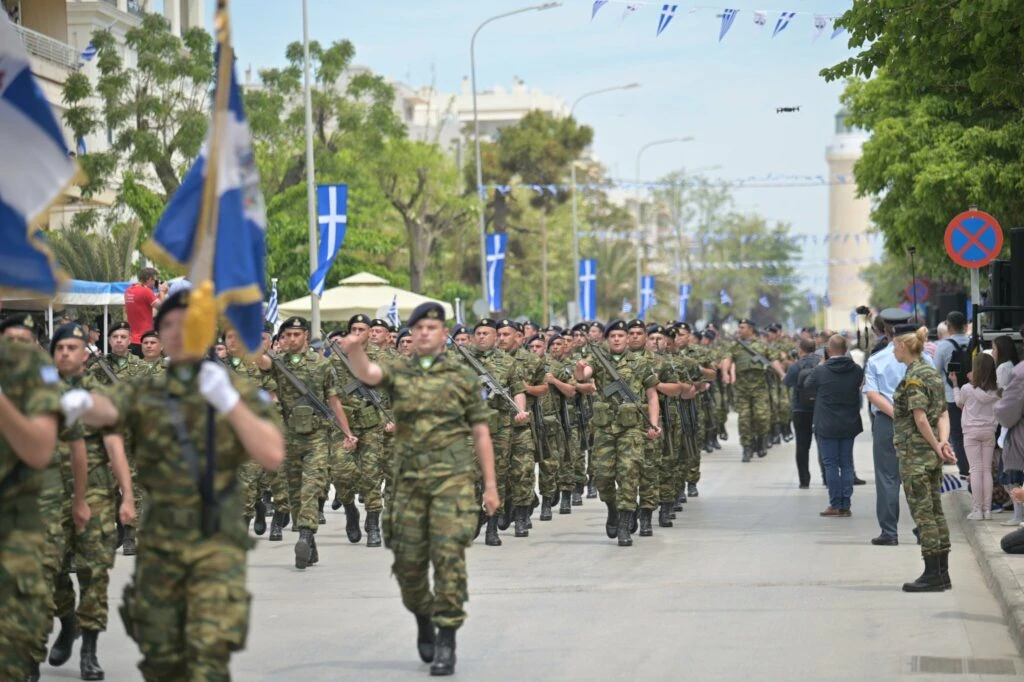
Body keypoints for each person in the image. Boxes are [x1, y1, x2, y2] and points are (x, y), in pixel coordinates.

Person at [60, 288, 285, 679]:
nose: (178, 334)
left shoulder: (231, 385)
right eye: (168, 327)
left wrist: (227, 400)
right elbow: (108, 410)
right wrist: (74, 401)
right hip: (161, 536)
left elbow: (271, 454)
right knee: (160, 652)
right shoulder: (146, 389)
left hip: (214, 536)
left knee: (207, 649)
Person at [338, 302, 499, 676]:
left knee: (448, 561)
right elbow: (368, 373)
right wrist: (356, 348)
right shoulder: (399, 372)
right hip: (408, 484)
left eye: (433, 327)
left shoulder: (462, 377)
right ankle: (423, 616)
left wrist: (490, 486)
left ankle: (446, 638)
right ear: (410, 334)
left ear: (444, 334)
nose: (425, 332)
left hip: (452, 484)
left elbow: (480, 431)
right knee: (408, 567)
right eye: (419, 327)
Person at [573, 320, 661, 547]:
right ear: (607, 338)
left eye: (621, 336)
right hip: (604, 429)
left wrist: (652, 424)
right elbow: (583, 376)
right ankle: (612, 507)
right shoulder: (598, 360)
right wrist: (580, 368)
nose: (617, 339)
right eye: (613, 336)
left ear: (627, 339)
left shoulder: (640, 363)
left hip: (631, 430)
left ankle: (624, 525)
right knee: (602, 476)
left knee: (629, 474)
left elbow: (652, 396)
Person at [891, 325, 956, 592]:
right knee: (936, 512)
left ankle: (932, 575)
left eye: (895, 346)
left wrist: (935, 444)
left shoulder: (914, 378)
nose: (893, 350)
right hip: (931, 455)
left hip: (915, 456)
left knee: (924, 515)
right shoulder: (932, 374)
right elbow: (942, 414)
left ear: (904, 347)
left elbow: (919, 417)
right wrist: (942, 443)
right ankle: (943, 573)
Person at [863, 308, 917, 546]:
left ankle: (889, 532)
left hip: (888, 422)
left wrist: (896, 414)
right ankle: (923, 529)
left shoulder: (876, 359)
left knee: (887, 477)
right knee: (918, 476)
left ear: (883, 330)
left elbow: (872, 394)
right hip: (918, 420)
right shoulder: (923, 358)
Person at [805, 335, 864, 517]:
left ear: (828, 350)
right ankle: (845, 504)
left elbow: (807, 385)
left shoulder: (821, 371)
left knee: (830, 464)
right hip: (849, 422)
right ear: (845, 349)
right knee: (846, 463)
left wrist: (821, 365)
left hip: (826, 423)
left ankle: (834, 503)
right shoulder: (856, 370)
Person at [953, 353, 1000, 520]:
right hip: (989, 431)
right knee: (987, 470)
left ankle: (977, 509)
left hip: (971, 432)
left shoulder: (967, 388)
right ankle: (987, 510)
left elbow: (959, 402)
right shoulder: (997, 391)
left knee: (975, 470)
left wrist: (955, 385)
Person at [932, 311, 971, 477]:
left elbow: (935, 372)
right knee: (972, 433)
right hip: (973, 396)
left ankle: (964, 470)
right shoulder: (974, 343)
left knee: (957, 434)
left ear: (948, 326)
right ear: (964, 326)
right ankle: (975, 467)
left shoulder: (944, 346)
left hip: (950, 397)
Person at [783, 337, 819, 488]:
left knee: (802, 446)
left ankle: (804, 481)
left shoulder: (795, 366)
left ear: (800, 349)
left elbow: (787, 382)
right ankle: (826, 477)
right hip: (819, 409)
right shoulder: (821, 363)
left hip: (800, 409)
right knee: (823, 444)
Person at [995, 356, 1024, 527]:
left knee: (1013, 478)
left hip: (1018, 435)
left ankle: (1019, 515)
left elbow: (1006, 414)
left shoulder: (1020, 373)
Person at [123, 267, 168, 357]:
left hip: (132, 339)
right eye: (154, 280)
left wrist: (158, 295)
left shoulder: (129, 290)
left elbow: (144, 306)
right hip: (145, 340)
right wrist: (162, 292)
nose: (155, 283)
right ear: (149, 279)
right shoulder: (146, 291)